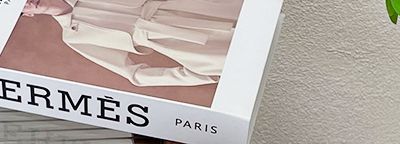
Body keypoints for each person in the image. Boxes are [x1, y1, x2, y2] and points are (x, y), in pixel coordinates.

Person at [21, 0, 241, 87]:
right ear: (26, 15)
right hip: (185, 45)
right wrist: (201, 75)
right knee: (245, 60)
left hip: (191, 5)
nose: (27, 1)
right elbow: (135, 74)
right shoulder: (73, 37)